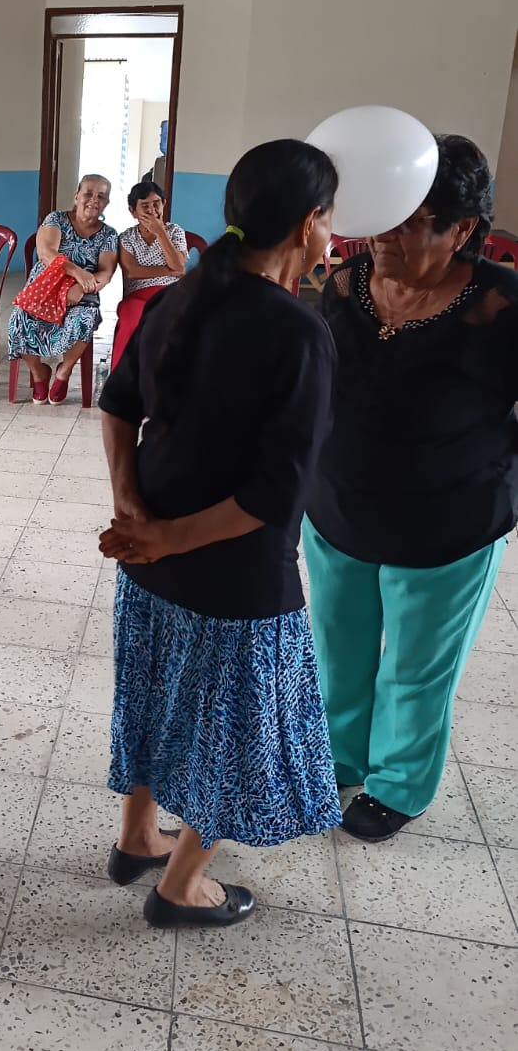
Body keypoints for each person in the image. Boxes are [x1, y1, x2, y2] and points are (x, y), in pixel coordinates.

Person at [98, 140, 342, 927]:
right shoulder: (298, 332)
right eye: (329, 218)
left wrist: (135, 512)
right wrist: (160, 534)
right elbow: (276, 492)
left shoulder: (181, 298)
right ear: (308, 224)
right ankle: (181, 886)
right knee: (235, 728)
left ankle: (138, 837)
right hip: (235, 571)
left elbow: (116, 404)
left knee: (153, 694)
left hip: (151, 557)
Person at [304, 135, 518, 841]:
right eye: (381, 217)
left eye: (408, 223)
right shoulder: (345, 285)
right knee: (339, 646)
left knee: (419, 668)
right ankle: (338, 754)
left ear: (461, 229)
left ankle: (398, 783)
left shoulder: (502, 305)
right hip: (338, 507)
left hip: (448, 523)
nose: (383, 237)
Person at [8, 175, 120, 405]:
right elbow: (46, 253)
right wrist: (78, 273)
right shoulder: (56, 219)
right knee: (18, 318)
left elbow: (106, 272)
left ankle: (64, 371)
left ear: (107, 203)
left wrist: (82, 288)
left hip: (82, 292)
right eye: (88, 193)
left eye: (101, 196)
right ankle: (38, 372)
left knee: (85, 319)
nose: (94, 200)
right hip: (46, 286)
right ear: (76, 196)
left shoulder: (108, 234)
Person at [112, 177, 189, 365]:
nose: (152, 210)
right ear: (133, 211)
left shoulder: (175, 231)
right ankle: (119, 377)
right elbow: (132, 272)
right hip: (137, 296)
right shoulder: (127, 237)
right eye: (145, 206)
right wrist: (170, 271)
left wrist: (160, 232)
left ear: (164, 204)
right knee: (130, 318)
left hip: (170, 295)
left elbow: (178, 265)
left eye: (156, 204)